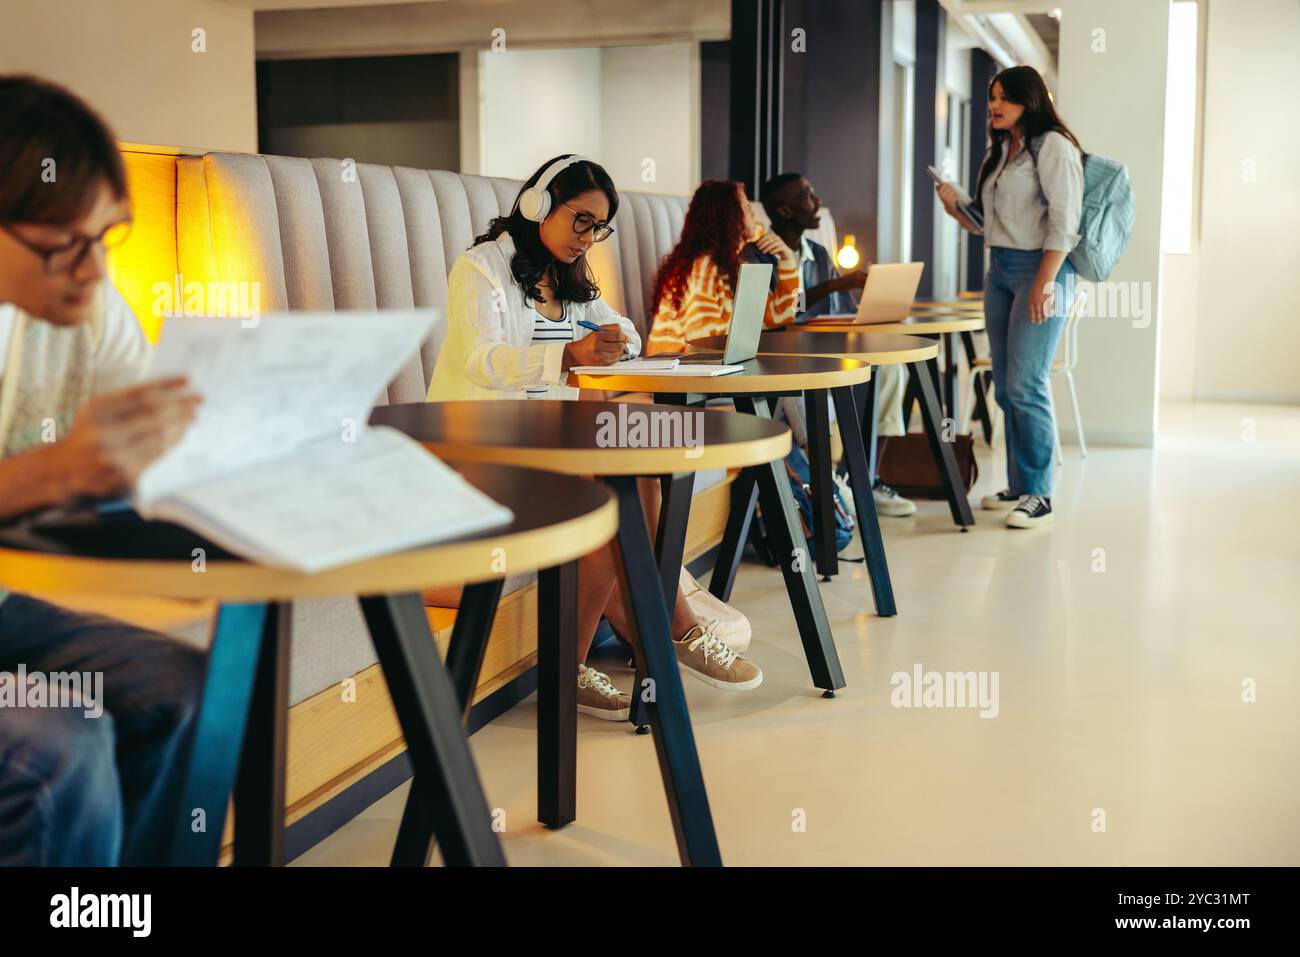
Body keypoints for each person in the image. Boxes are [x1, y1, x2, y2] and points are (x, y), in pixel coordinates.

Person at [429, 155, 763, 719]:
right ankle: (672, 628)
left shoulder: (569, 276)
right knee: (613, 478)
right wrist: (566, 356)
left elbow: (626, 330)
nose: (587, 238)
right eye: (581, 220)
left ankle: (583, 660)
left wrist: (614, 339)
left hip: (542, 449)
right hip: (475, 454)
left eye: (598, 228)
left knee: (629, 468)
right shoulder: (481, 268)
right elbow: (480, 360)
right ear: (538, 204)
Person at [0, 75, 206, 865]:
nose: (92, 271)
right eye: (64, 243)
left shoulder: (85, 297)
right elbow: (67, 468)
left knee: (182, 688)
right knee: (60, 744)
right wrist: (55, 471)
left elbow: (155, 426)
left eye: (106, 236)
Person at [938, 65, 1083, 528]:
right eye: (992, 97)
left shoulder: (1053, 146)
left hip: (1041, 269)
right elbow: (991, 224)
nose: (994, 106)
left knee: (1026, 383)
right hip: (1000, 268)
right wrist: (956, 208)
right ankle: (1020, 486)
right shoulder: (1000, 151)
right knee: (1004, 385)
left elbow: (1064, 221)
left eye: (1005, 97)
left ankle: (1039, 493)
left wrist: (1045, 282)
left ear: (1029, 100)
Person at [760, 172, 916, 518]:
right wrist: (833, 286)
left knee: (889, 371)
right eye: (806, 196)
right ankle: (850, 484)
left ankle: (862, 478)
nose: (817, 201)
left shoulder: (817, 253)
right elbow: (775, 314)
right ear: (784, 211)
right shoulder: (761, 256)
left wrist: (874, 307)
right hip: (785, 356)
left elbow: (842, 312)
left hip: (825, 351)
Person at [645, 179, 800, 355]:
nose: (755, 218)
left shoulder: (732, 266)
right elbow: (705, 341)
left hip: (705, 364)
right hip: (675, 367)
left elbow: (789, 312)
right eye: (747, 209)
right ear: (730, 216)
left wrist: (788, 260)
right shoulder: (702, 268)